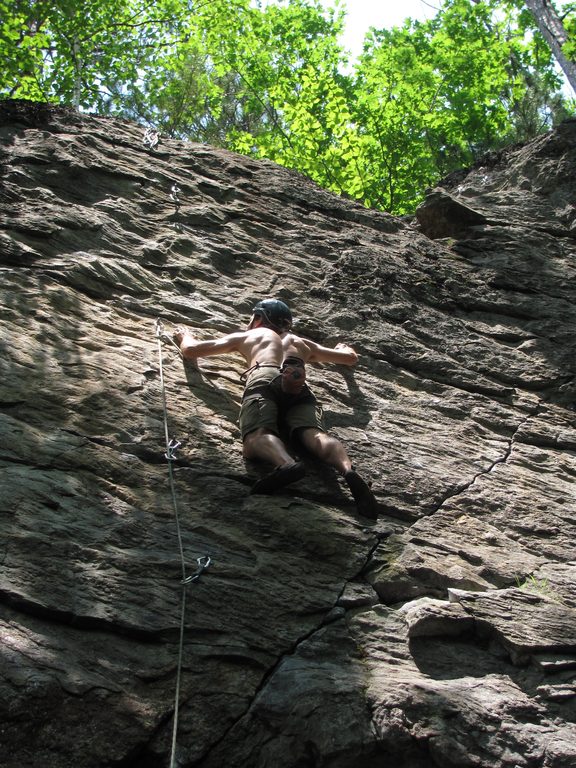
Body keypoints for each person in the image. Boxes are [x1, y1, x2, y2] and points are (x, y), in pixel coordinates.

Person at [173, 298, 378, 519]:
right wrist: (344, 348)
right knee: (315, 434)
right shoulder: (301, 343)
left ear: (259, 318)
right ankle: (347, 470)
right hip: (298, 381)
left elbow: (191, 351)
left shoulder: (253, 335)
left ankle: (286, 464)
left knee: (256, 437)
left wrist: (184, 335)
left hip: (266, 375)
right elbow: (350, 358)